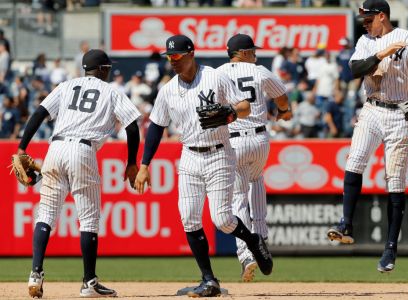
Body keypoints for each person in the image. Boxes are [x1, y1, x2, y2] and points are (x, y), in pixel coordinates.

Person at [134, 34, 273, 297]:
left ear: (190, 54)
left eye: (176, 56)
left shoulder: (214, 76)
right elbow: (155, 128)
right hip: (189, 155)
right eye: (169, 57)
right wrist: (144, 164)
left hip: (220, 152)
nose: (172, 61)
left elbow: (245, 106)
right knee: (188, 218)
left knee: (222, 219)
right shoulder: (167, 90)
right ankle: (209, 280)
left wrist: (230, 113)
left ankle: (254, 241)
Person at [327, 0, 408, 273]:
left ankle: (390, 249)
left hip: (402, 114)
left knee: (395, 179)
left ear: (381, 16)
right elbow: (354, 69)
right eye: (363, 21)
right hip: (373, 109)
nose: (364, 25)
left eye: (367, 20)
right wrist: (381, 54)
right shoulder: (366, 41)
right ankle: (346, 223)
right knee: (355, 161)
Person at [20, 49, 141, 298]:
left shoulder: (66, 85)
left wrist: (22, 147)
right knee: (88, 219)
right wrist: (131, 162)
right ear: (103, 69)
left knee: (46, 213)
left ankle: (35, 272)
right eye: (108, 68)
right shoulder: (111, 91)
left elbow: (39, 114)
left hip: (55, 147)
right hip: (82, 150)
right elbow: (132, 126)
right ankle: (89, 282)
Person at [217, 33, 291, 282]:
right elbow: (281, 96)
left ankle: (246, 254)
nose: (255, 54)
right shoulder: (259, 71)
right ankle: (262, 238)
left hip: (234, 140)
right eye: (252, 50)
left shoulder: (218, 74)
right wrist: (284, 111)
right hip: (259, 139)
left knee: (238, 196)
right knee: (257, 180)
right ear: (244, 53)